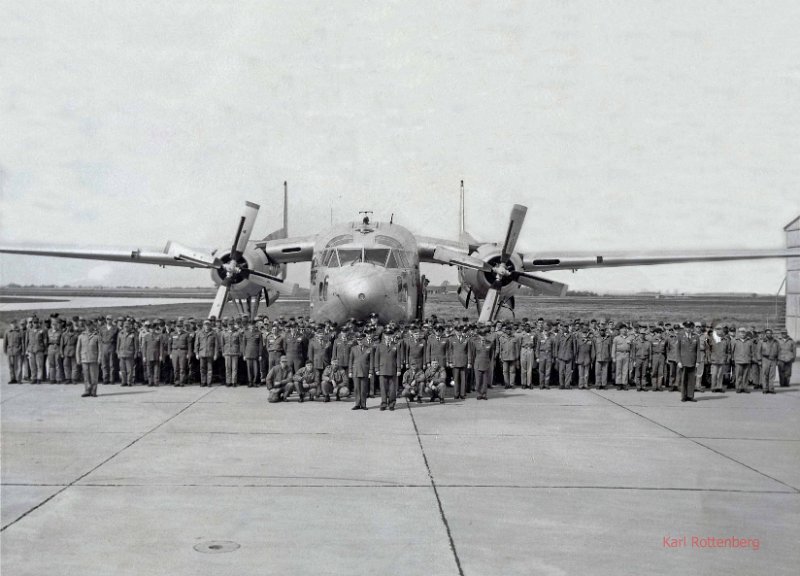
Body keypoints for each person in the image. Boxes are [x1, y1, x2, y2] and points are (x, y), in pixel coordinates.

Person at [374, 328, 401, 411]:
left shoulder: (396, 345)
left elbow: (398, 358)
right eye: (386, 335)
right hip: (382, 369)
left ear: (392, 335)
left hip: (392, 369)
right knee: (383, 388)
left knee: (392, 388)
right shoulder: (379, 345)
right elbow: (376, 358)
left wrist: (399, 369)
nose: (388, 337)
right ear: (384, 336)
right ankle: (383, 403)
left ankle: (392, 403)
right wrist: (377, 369)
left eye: (390, 335)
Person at [676, 321, 700, 402]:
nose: (688, 329)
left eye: (690, 327)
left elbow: (698, 350)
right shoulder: (680, 336)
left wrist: (698, 361)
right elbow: (677, 350)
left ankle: (690, 396)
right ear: (684, 328)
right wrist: (678, 361)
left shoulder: (696, 337)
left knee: (691, 380)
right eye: (687, 327)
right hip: (683, 362)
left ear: (692, 328)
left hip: (692, 361)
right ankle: (684, 396)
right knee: (683, 380)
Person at [76, 321, 100, 397]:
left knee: (94, 376)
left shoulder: (97, 336)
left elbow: (100, 349)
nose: (88, 327)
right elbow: (78, 349)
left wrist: (99, 358)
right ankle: (87, 390)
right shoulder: (81, 336)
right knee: (86, 376)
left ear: (92, 326)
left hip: (93, 358)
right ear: (85, 326)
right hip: (84, 358)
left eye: (90, 325)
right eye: (87, 326)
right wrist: (78, 358)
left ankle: (93, 391)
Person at [348, 333, 372, 410]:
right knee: (356, 388)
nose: (360, 341)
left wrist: (370, 372)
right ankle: (357, 404)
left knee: (364, 388)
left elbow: (371, 361)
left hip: (365, 370)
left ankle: (363, 404)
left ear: (364, 340)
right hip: (356, 371)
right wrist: (350, 371)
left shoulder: (368, 349)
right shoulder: (353, 348)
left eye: (361, 340)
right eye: (358, 340)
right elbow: (351, 360)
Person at [195, 320, 219, 387]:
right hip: (202, 353)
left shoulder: (214, 333)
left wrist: (215, 354)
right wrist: (196, 353)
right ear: (203, 325)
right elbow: (196, 344)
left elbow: (216, 345)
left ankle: (209, 382)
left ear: (210, 325)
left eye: (208, 324)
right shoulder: (199, 333)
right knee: (202, 369)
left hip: (210, 354)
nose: (207, 326)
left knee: (210, 369)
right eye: (205, 325)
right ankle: (203, 382)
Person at [708, 325, 731, 393]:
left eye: (720, 329)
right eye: (717, 329)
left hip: (722, 359)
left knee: (720, 374)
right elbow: (708, 350)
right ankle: (713, 387)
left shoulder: (726, 340)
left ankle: (719, 387)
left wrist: (728, 358)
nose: (719, 331)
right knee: (714, 374)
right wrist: (709, 358)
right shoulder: (711, 339)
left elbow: (728, 350)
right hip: (714, 359)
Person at [117, 321, 139, 386]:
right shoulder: (120, 333)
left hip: (130, 353)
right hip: (122, 353)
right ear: (123, 326)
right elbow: (118, 344)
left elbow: (136, 344)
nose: (126, 328)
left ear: (130, 326)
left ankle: (129, 382)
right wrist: (118, 352)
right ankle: (124, 382)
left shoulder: (133, 334)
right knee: (122, 369)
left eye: (127, 326)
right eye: (125, 326)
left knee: (130, 369)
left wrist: (136, 353)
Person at [612, 324, 633, 390]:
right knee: (618, 369)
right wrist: (613, 357)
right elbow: (613, 348)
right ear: (620, 330)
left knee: (625, 370)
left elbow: (632, 348)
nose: (624, 330)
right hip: (619, 354)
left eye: (625, 328)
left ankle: (624, 384)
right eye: (622, 328)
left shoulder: (630, 338)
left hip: (626, 354)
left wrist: (631, 357)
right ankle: (618, 384)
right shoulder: (616, 338)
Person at [731, 327, 752, 393]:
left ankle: (745, 387)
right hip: (738, 360)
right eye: (741, 332)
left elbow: (752, 351)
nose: (742, 333)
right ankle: (738, 387)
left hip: (747, 360)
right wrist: (732, 358)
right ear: (738, 333)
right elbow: (732, 350)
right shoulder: (734, 340)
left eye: (744, 332)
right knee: (738, 375)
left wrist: (751, 358)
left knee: (746, 375)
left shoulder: (749, 341)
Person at [758, 329, 779, 394]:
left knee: (772, 375)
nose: (769, 334)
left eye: (770, 333)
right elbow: (758, 351)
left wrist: (778, 360)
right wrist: (759, 360)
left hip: (773, 359)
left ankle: (771, 389)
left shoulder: (775, 341)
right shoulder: (761, 341)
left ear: (772, 334)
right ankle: (765, 389)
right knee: (765, 374)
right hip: (765, 359)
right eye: (767, 333)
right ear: (765, 334)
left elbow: (778, 351)